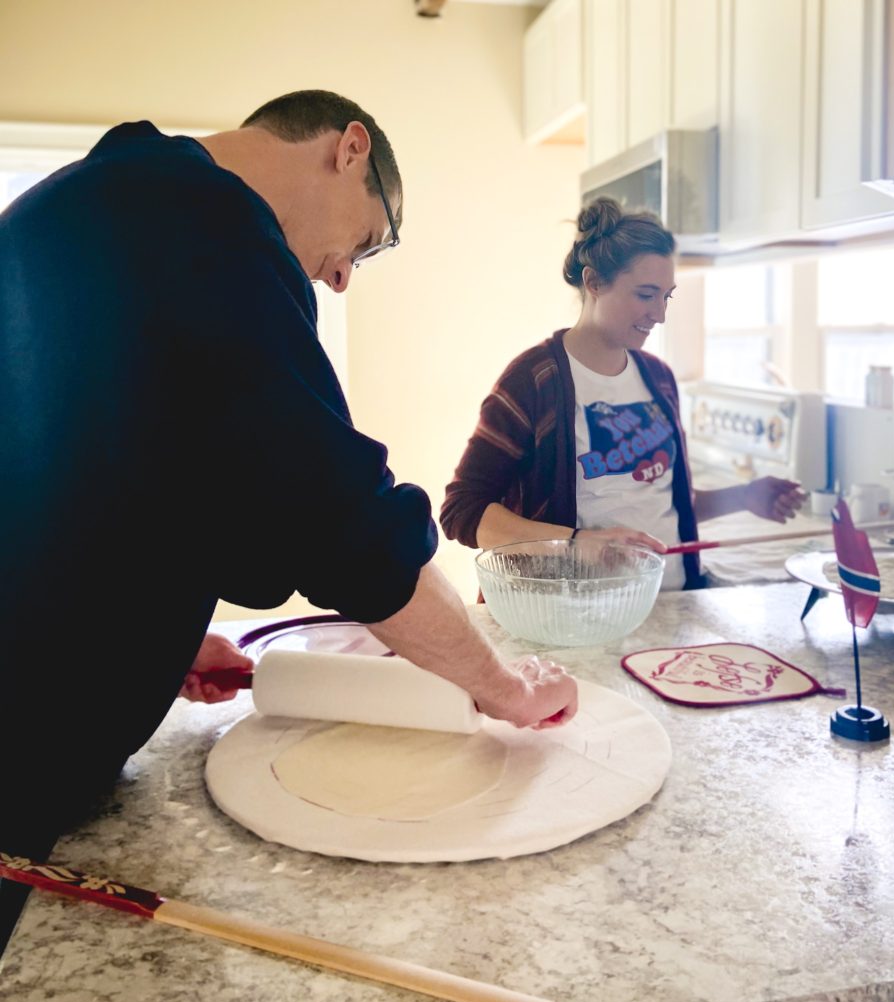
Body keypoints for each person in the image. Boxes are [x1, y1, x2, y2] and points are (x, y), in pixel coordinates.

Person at [0, 90, 577, 950]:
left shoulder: (71, 206)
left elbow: (89, 464)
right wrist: (502, 687)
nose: (342, 275)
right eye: (369, 243)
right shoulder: (212, 227)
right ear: (349, 149)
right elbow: (336, 515)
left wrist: (152, 629)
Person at [441, 197, 805, 590]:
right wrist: (574, 544)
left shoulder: (658, 379)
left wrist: (745, 497)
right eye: (646, 295)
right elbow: (463, 510)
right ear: (594, 282)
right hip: (573, 613)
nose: (660, 314)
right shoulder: (534, 382)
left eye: (667, 296)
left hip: (671, 604)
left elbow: (658, 503)